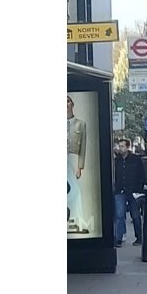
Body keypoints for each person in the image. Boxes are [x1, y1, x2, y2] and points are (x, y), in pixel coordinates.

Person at [113, 138, 147, 246]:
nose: (120, 148)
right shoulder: (117, 160)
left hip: (133, 191)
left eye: (122, 146)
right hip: (120, 190)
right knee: (119, 215)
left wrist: (139, 188)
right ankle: (118, 238)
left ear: (128, 147)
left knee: (135, 215)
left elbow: (141, 174)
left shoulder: (135, 159)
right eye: (119, 146)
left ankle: (139, 237)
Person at [67, 95, 89, 233]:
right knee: (73, 191)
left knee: (75, 191)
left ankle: (76, 222)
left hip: (72, 158)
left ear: (72, 104)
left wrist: (80, 167)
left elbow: (83, 147)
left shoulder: (80, 124)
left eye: (68, 101)